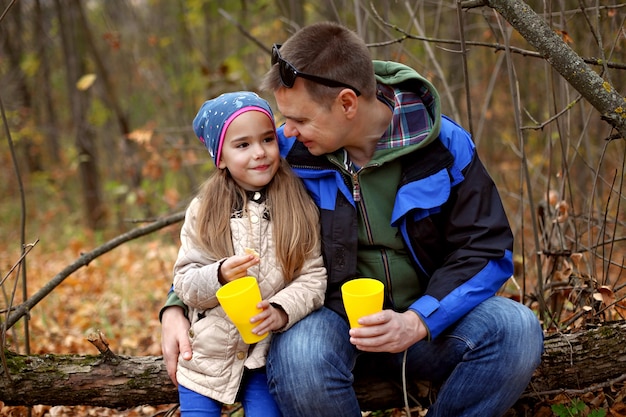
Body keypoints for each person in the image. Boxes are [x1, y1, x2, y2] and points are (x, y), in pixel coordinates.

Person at [162, 22, 544, 417]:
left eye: (300, 119)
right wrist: (174, 306)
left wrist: (418, 319)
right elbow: (220, 221)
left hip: (431, 322)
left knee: (516, 330)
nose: (286, 130)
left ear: (347, 103)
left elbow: (484, 246)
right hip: (326, 321)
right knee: (301, 359)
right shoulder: (286, 152)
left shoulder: (444, 146)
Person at [169, 91, 327, 417]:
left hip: (265, 356)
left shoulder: (298, 205)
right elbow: (184, 282)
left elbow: (313, 277)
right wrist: (219, 275)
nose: (259, 153)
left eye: (267, 139)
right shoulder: (204, 211)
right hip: (208, 354)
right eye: (243, 145)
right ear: (221, 157)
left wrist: (282, 310)